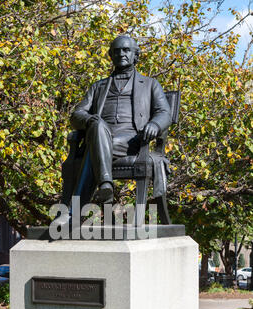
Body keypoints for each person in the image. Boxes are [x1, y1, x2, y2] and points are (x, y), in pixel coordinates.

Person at [55, 35, 171, 226]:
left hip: (132, 141)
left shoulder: (150, 84)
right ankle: (105, 183)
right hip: (101, 135)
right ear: (110, 55)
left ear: (136, 55)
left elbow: (164, 112)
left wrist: (155, 125)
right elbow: (76, 115)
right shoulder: (98, 86)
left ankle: (73, 213)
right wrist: (90, 120)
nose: (121, 54)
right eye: (116, 51)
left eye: (126, 50)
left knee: (93, 149)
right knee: (98, 125)